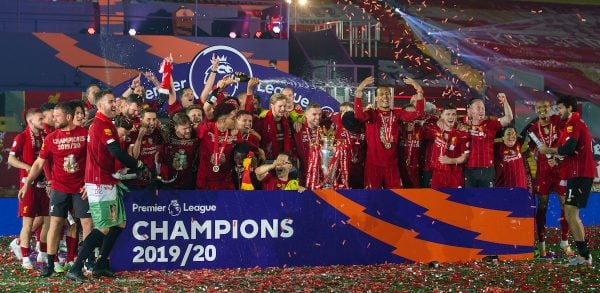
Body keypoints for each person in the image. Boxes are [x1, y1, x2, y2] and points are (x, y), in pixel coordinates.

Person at [66, 90, 148, 282]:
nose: (114, 104)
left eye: (115, 101)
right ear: (100, 105)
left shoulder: (107, 123)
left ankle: (101, 263)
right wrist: (139, 164)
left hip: (108, 181)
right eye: (110, 101)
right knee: (103, 227)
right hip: (99, 183)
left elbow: (112, 154)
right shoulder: (101, 125)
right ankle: (76, 268)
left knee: (119, 224)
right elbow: (115, 152)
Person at [17, 103, 90, 277]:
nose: (53, 119)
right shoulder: (50, 139)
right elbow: (38, 164)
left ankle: (85, 262)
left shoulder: (85, 135)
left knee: (87, 224)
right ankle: (50, 264)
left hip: (81, 189)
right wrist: (27, 183)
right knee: (55, 224)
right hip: (59, 189)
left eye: (57, 116)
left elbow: (94, 160)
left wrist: (89, 182)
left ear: (68, 117)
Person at [539, 96, 596, 266]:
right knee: (571, 214)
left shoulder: (574, 123)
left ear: (570, 108)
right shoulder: (570, 126)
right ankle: (583, 255)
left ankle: (584, 256)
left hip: (581, 174)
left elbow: (569, 148)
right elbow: (570, 151)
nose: (559, 112)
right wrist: (557, 160)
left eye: (561, 108)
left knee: (571, 213)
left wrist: (548, 150)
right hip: (575, 173)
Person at [353, 76, 424, 189]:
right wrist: (359, 90)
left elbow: (418, 114)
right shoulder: (371, 114)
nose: (385, 96)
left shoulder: (397, 114)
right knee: (372, 199)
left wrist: (419, 90)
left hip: (392, 165)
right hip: (373, 165)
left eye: (387, 94)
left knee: (393, 199)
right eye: (381, 94)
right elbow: (358, 115)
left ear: (390, 97)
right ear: (376, 98)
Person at [525, 100, 572, 256]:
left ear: (550, 108)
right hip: (543, 171)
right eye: (539, 107)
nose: (542, 109)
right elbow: (530, 150)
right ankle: (542, 243)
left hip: (561, 169)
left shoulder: (558, 121)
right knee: (543, 206)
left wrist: (559, 157)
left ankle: (564, 241)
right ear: (536, 110)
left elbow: (568, 141)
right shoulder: (532, 129)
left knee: (565, 205)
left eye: (545, 107)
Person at [8, 109, 50, 269]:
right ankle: (25, 257)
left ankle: (43, 252)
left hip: (43, 185)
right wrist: (28, 167)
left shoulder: (44, 136)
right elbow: (11, 159)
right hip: (29, 185)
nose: (43, 120)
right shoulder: (22, 137)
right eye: (40, 118)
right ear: (30, 121)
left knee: (47, 219)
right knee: (28, 222)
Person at [464, 93, 513, 187]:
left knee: (487, 200)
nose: (482, 111)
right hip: (468, 170)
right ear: (469, 110)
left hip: (487, 170)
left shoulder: (490, 124)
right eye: (478, 108)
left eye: (483, 108)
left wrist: (504, 101)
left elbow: (508, 118)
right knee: (469, 200)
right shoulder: (463, 126)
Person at [195, 103, 241, 190]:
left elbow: (243, 145)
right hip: (205, 181)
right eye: (233, 118)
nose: (236, 121)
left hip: (225, 181)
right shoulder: (206, 128)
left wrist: (259, 150)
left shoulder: (235, 132)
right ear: (223, 120)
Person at [422, 105, 470, 188]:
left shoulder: (463, 135)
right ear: (442, 116)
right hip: (437, 174)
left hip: (455, 174)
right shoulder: (434, 131)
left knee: (455, 200)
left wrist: (450, 160)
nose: (451, 117)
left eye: (453, 114)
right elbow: (422, 124)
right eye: (448, 114)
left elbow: (464, 158)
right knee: (437, 200)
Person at [126, 108, 163, 189]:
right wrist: (139, 137)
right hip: (136, 181)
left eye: (154, 119)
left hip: (151, 179)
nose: (152, 122)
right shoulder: (133, 132)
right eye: (148, 119)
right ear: (141, 119)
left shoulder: (158, 131)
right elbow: (134, 157)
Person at [161, 112, 199, 189]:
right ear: (175, 127)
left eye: (189, 127)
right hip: (169, 181)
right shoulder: (166, 136)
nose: (188, 131)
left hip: (189, 180)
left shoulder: (196, 135)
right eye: (184, 128)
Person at [255, 93, 294, 160]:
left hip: (284, 161)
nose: (283, 109)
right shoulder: (261, 122)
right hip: (267, 162)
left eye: (284, 106)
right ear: (272, 106)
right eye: (280, 106)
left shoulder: (287, 121)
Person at [294, 103, 323, 187]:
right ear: (306, 114)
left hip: (321, 176)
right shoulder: (297, 129)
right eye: (314, 114)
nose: (318, 117)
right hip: (303, 176)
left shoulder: (325, 130)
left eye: (320, 114)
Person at [398, 104, 424, 188]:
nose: (411, 117)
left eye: (413, 114)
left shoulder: (422, 131)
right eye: (408, 114)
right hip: (399, 173)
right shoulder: (396, 131)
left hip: (417, 173)